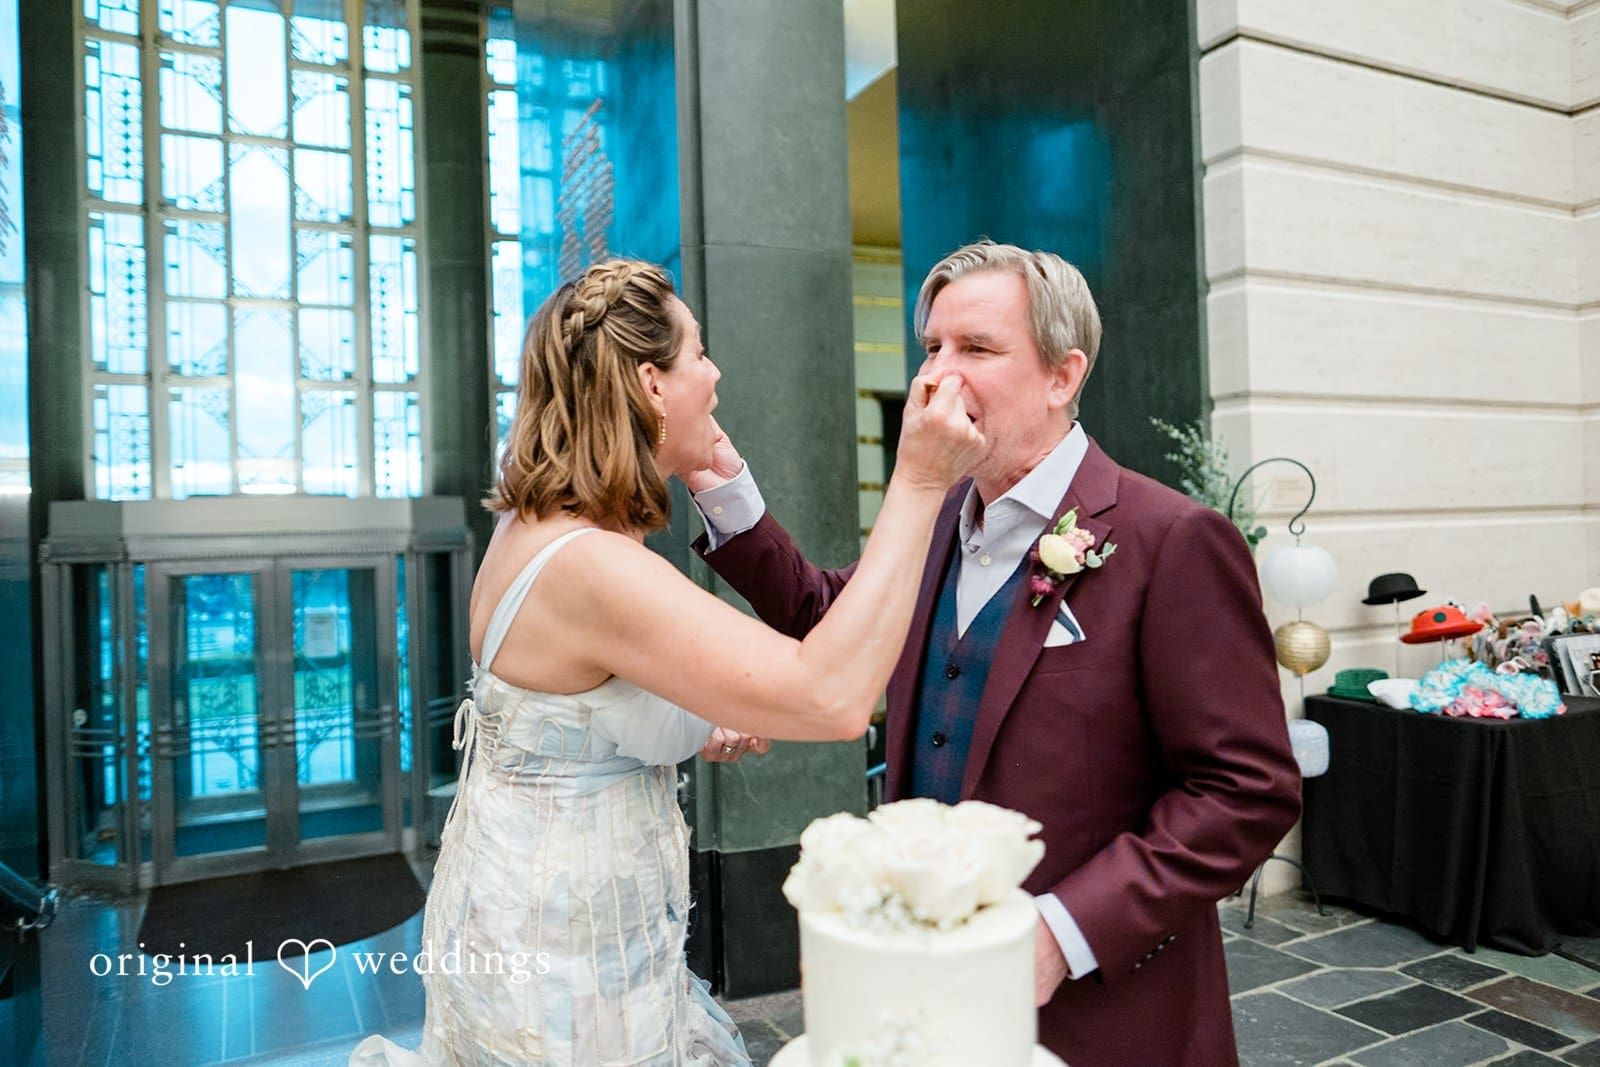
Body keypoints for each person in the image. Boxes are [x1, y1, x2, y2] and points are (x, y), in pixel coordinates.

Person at [350, 258, 984, 1066]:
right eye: (699, 353)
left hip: (529, 912)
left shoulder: (534, 524)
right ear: (652, 384)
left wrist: (696, 719)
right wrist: (921, 479)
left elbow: (579, 718)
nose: (715, 374)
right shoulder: (593, 566)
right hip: (566, 968)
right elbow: (831, 697)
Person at [689, 240, 1302, 1066]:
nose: (939, 376)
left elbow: (1247, 791)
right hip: (929, 996)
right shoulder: (939, 515)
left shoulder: (1173, 541)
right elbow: (832, 613)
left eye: (976, 348)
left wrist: (1062, 932)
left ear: (1062, 375)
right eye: (932, 349)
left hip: (1107, 1013)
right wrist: (725, 490)